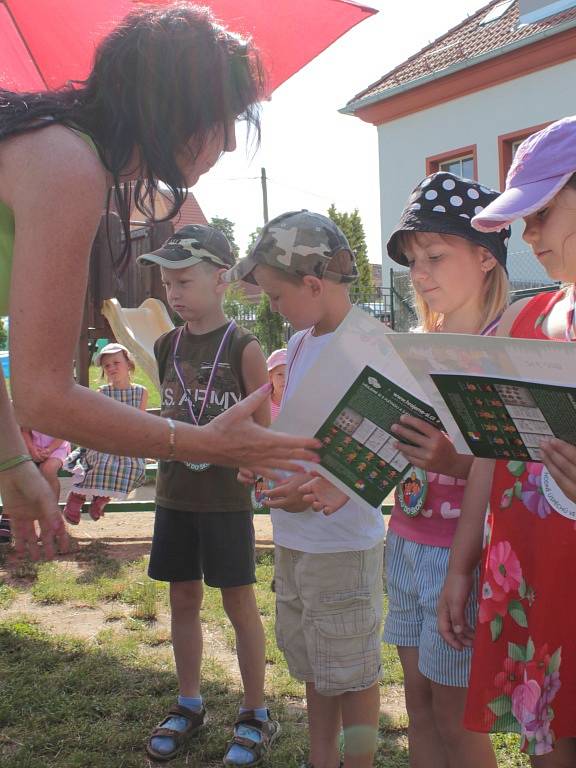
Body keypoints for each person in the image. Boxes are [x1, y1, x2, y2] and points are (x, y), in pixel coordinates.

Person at [0, 4, 320, 557]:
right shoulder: (67, 164)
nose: (227, 144)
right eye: (227, 117)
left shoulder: (59, 151)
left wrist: (10, 463)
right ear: (180, 109)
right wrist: (205, 443)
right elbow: (43, 394)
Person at [303, 174, 510, 768]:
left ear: (486, 258)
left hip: (466, 555)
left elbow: (515, 468)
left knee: (456, 714)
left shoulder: (508, 346)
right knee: (417, 703)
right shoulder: (415, 344)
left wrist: (452, 461)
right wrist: (341, 483)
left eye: (435, 256)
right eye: (413, 260)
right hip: (408, 543)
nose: (419, 273)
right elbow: (388, 445)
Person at [439, 117, 576, 766]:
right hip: (531, 585)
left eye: (543, 212)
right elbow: (492, 457)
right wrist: (463, 565)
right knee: (546, 743)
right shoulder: (524, 321)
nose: (529, 235)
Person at [227, 211, 386, 768]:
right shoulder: (297, 343)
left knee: (354, 674)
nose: (271, 307)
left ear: (314, 285)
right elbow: (299, 428)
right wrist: (263, 460)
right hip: (297, 540)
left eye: (274, 296)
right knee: (319, 668)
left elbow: (393, 443)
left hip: (341, 545)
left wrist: (329, 484)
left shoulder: (372, 342)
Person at [138, 225, 278, 766]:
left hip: (224, 502)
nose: (173, 292)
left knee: (239, 603)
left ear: (221, 279)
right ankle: (188, 702)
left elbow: (261, 428)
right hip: (175, 496)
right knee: (182, 600)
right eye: (167, 282)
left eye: (184, 280)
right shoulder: (165, 343)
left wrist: (253, 465)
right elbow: (172, 409)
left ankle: (254, 711)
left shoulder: (245, 346)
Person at [63, 343, 147, 524]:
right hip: (105, 439)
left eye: (116, 362)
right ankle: (77, 496)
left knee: (133, 466)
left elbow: (140, 423)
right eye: (107, 365)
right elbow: (99, 422)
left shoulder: (141, 392)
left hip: (127, 443)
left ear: (129, 364)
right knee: (101, 459)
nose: (111, 368)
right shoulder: (104, 392)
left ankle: (101, 498)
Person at [21, 428, 71, 503]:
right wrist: (32, 450)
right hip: (35, 447)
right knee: (21, 469)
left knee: (48, 470)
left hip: (58, 448)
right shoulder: (30, 416)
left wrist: (49, 450)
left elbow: (63, 433)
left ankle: (52, 509)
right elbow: (25, 431)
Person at [266, 348, 287, 421]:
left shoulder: (298, 403)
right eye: (280, 374)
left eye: (289, 374)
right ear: (270, 377)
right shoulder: (264, 405)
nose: (285, 379)